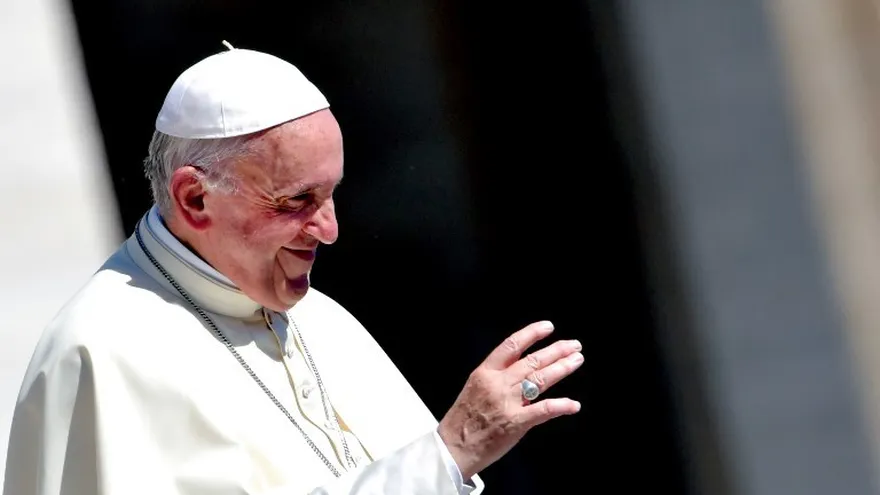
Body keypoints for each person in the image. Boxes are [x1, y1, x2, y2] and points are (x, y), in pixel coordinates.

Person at [2, 42, 584, 495]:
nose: (329, 230)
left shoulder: (320, 318)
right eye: (296, 201)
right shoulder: (102, 353)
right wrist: (451, 448)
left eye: (331, 195)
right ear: (195, 199)